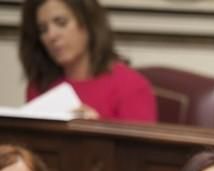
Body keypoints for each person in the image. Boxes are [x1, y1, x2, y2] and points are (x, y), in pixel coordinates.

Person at [19, 0, 157, 122]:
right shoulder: (39, 86)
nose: (51, 36)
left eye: (61, 23)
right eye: (43, 30)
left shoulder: (131, 86)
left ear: (87, 23)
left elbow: (140, 151)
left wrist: (96, 128)